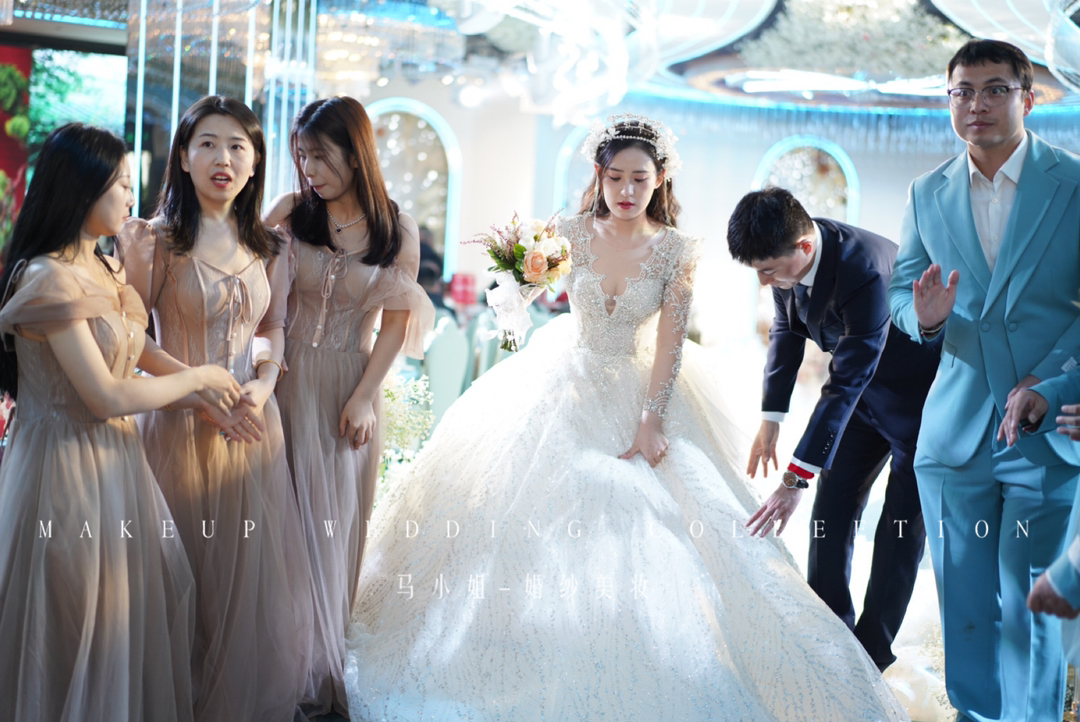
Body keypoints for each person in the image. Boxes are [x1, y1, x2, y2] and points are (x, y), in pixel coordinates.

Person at [342, 114, 906, 720]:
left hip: (643, 388)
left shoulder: (677, 250)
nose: (627, 190)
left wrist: (651, 417)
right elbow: (512, 301)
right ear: (599, 175)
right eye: (615, 178)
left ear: (659, 179)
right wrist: (509, 291)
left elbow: (669, 342)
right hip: (564, 378)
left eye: (640, 178)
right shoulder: (568, 233)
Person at [0, 123, 242, 721]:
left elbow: (138, 350)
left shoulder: (105, 267)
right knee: (66, 624)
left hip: (116, 467)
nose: (132, 197)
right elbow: (105, 396)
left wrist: (204, 395)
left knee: (113, 626)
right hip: (62, 469)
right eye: (122, 185)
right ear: (82, 188)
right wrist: (199, 379)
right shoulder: (46, 277)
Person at [888, 38, 1080, 721]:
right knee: (965, 611)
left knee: (1032, 608)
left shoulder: (1073, 182)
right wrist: (923, 319)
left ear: (1029, 99)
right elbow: (901, 291)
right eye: (962, 91)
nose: (977, 104)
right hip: (955, 438)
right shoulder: (926, 192)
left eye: (996, 89)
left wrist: (1054, 382)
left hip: (1044, 433)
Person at [117, 96, 314, 722]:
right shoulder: (152, 240)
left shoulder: (272, 245)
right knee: (173, 576)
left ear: (255, 163)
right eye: (207, 143)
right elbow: (132, 338)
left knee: (240, 586)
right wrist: (198, 390)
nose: (221, 158)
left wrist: (263, 384)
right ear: (183, 156)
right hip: (174, 420)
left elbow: (272, 326)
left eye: (237, 146)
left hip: (249, 427)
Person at [264, 95, 434, 718]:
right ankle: (273, 667)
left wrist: (364, 396)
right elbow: (258, 296)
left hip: (348, 389)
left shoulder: (396, 228)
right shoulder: (290, 212)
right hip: (281, 380)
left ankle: (317, 673)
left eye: (321, 155)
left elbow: (395, 323)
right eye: (302, 156)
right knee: (277, 529)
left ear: (355, 153)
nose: (309, 169)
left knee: (331, 533)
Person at [727, 187, 938, 672]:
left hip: (918, 407)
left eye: (768, 270)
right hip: (861, 401)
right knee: (832, 508)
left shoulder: (864, 270)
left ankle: (871, 656)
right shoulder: (790, 249)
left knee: (899, 530)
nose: (764, 282)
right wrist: (771, 419)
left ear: (803, 248)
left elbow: (845, 380)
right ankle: (828, 640)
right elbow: (786, 330)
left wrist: (793, 480)